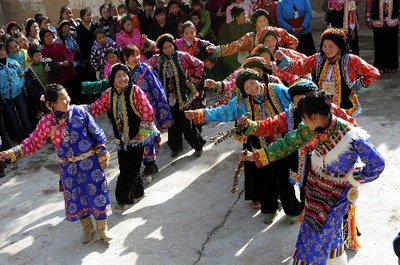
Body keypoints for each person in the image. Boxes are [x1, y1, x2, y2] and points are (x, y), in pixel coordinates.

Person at [239, 90, 385, 264]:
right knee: (319, 231)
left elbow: (377, 164)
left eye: (304, 118)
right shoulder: (309, 128)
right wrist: (255, 156)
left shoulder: (351, 136)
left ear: (314, 117)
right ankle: (335, 261)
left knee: (317, 237)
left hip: (337, 197)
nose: (303, 122)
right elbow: (287, 144)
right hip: (313, 189)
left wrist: (353, 177)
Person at [186, 68, 302, 224]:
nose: (252, 89)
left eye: (253, 83)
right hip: (259, 144)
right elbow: (223, 111)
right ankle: (270, 209)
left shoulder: (277, 90)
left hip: (283, 143)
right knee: (265, 178)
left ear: (259, 80)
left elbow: (295, 98)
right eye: (246, 88)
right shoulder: (242, 102)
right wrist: (199, 113)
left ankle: (292, 210)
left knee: (285, 178)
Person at [0, 83, 112, 243]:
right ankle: (87, 229)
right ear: (52, 104)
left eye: (67, 96)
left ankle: (102, 229)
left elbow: (97, 134)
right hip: (69, 169)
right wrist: (12, 152)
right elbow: (33, 142)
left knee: (98, 195)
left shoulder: (80, 111)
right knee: (78, 198)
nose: (67, 101)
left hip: (90, 164)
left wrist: (102, 154)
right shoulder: (46, 123)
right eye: (62, 99)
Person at [83, 45, 173, 179]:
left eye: (138, 54)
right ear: (125, 58)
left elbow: (157, 92)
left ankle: (150, 165)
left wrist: (163, 111)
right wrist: (78, 108)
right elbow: (99, 102)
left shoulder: (144, 74)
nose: (136, 58)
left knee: (147, 140)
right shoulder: (115, 81)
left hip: (146, 113)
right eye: (132, 55)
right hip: (125, 119)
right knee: (130, 143)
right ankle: (136, 167)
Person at [87, 63, 158, 210]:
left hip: (137, 138)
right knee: (127, 165)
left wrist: (142, 133)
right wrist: (79, 111)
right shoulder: (109, 93)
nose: (122, 78)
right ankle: (138, 193)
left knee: (129, 169)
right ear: (112, 79)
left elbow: (148, 111)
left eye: (125, 75)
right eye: (118, 76)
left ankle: (123, 198)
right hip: (121, 139)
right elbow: (96, 107)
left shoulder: (135, 91)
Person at [275, 27, 380, 116]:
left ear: (339, 46)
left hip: (344, 105)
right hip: (322, 104)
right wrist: (283, 59)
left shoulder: (351, 60)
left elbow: (373, 73)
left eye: (331, 46)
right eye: (324, 46)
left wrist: (357, 86)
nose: (327, 49)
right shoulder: (318, 59)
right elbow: (300, 66)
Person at [147, 33, 206, 157]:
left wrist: (193, 78)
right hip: (167, 96)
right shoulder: (157, 59)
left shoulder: (182, 56)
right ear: (161, 49)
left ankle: (197, 145)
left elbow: (199, 64)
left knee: (187, 121)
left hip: (183, 95)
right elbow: (145, 69)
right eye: (165, 48)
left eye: (170, 46)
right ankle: (176, 147)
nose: (168, 49)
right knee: (172, 122)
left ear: (173, 45)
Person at [0, 42, 33, 143]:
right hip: (5, 97)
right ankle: (21, 142)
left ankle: (31, 139)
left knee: (24, 116)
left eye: (2, 50)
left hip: (18, 93)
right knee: (13, 120)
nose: (1, 52)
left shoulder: (13, 62)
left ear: (6, 51)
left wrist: (20, 84)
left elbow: (21, 73)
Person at [25, 45, 61, 115]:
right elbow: (31, 86)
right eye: (36, 56)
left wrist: (52, 62)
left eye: (40, 55)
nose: (39, 57)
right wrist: (40, 95)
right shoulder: (28, 71)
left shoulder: (46, 63)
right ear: (31, 58)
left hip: (54, 92)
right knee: (49, 113)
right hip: (43, 97)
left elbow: (58, 71)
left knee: (59, 109)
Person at [366, 0, 399, 74]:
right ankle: (380, 66)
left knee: (392, 43)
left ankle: (392, 65)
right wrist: (368, 19)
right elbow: (369, 5)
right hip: (378, 21)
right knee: (379, 44)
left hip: (392, 21)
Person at [76, 7, 99, 82]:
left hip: (98, 53)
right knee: (92, 75)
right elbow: (80, 44)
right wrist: (84, 58)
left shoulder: (95, 26)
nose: (90, 17)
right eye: (87, 15)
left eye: (90, 15)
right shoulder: (79, 29)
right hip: (88, 56)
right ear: (82, 17)